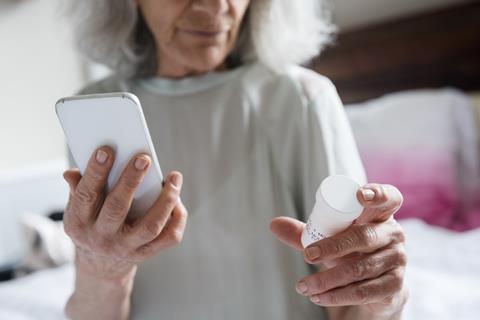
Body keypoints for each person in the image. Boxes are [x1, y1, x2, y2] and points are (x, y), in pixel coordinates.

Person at [62, 0, 408, 319]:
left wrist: (380, 296)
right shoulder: (95, 108)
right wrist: (101, 268)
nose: (215, 6)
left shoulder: (301, 98)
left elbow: (349, 295)